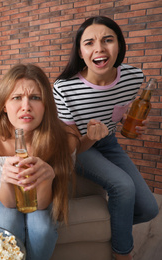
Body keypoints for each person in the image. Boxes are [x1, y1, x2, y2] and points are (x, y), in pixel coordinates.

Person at [53, 16, 159, 260]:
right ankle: (122, 253)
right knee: (122, 186)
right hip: (79, 146)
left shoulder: (134, 78)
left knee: (150, 209)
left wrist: (128, 121)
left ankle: (114, 229)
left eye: (108, 40)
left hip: (109, 142)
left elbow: (121, 111)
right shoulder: (64, 88)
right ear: (80, 51)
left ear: (119, 45)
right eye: (89, 42)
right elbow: (71, 146)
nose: (99, 48)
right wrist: (89, 138)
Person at [0, 64, 77, 260]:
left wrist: (47, 178)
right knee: (7, 222)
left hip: (42, 198)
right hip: (6, 195)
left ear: (46, 104)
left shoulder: (63, 137)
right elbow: (8, 202)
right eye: (16, 98)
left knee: (42, 227)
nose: (26, 106)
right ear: (4, 105)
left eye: (35, 98)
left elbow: (42, 204)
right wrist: (5, 179)